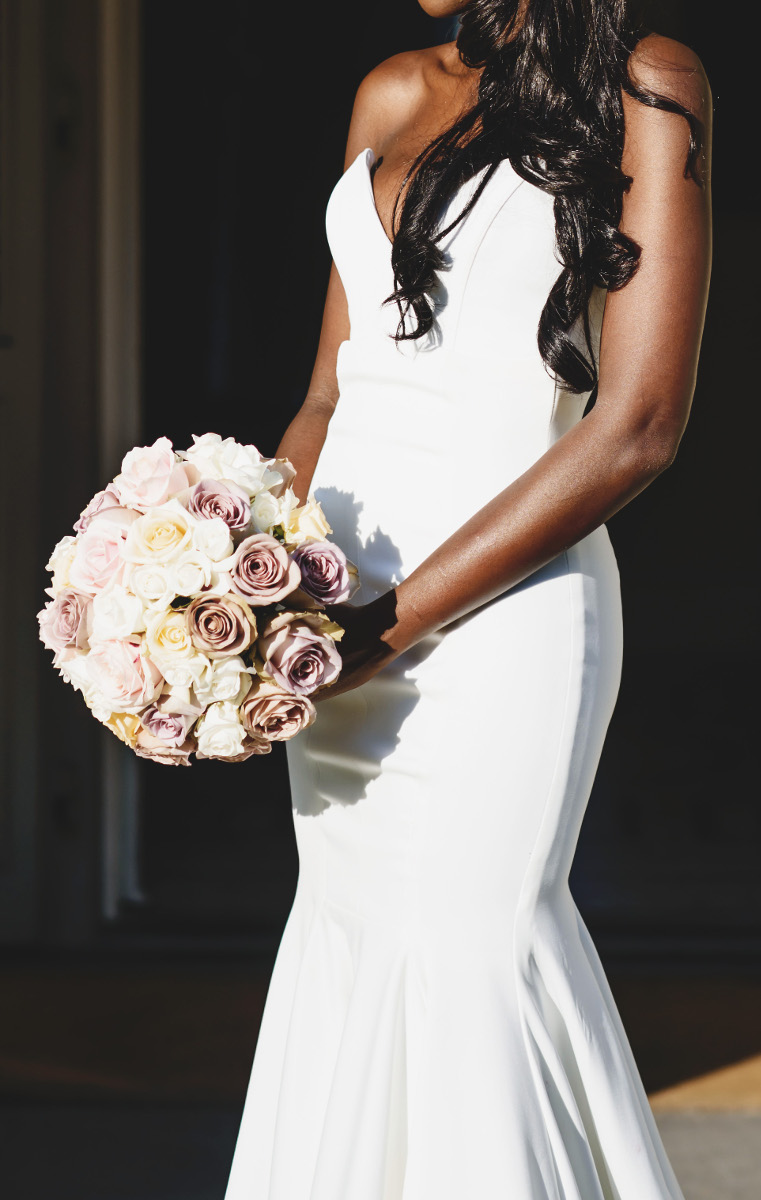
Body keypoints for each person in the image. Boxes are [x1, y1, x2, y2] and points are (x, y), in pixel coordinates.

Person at [225, 0, 711, 1195]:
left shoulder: (647, 81)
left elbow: (637, 425)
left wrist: (383, 630)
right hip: (335, 623)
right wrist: (228, 566)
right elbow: (333, 396)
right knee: (354, 944)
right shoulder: (389, 91)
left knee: (471, 952)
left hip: (501, 621)